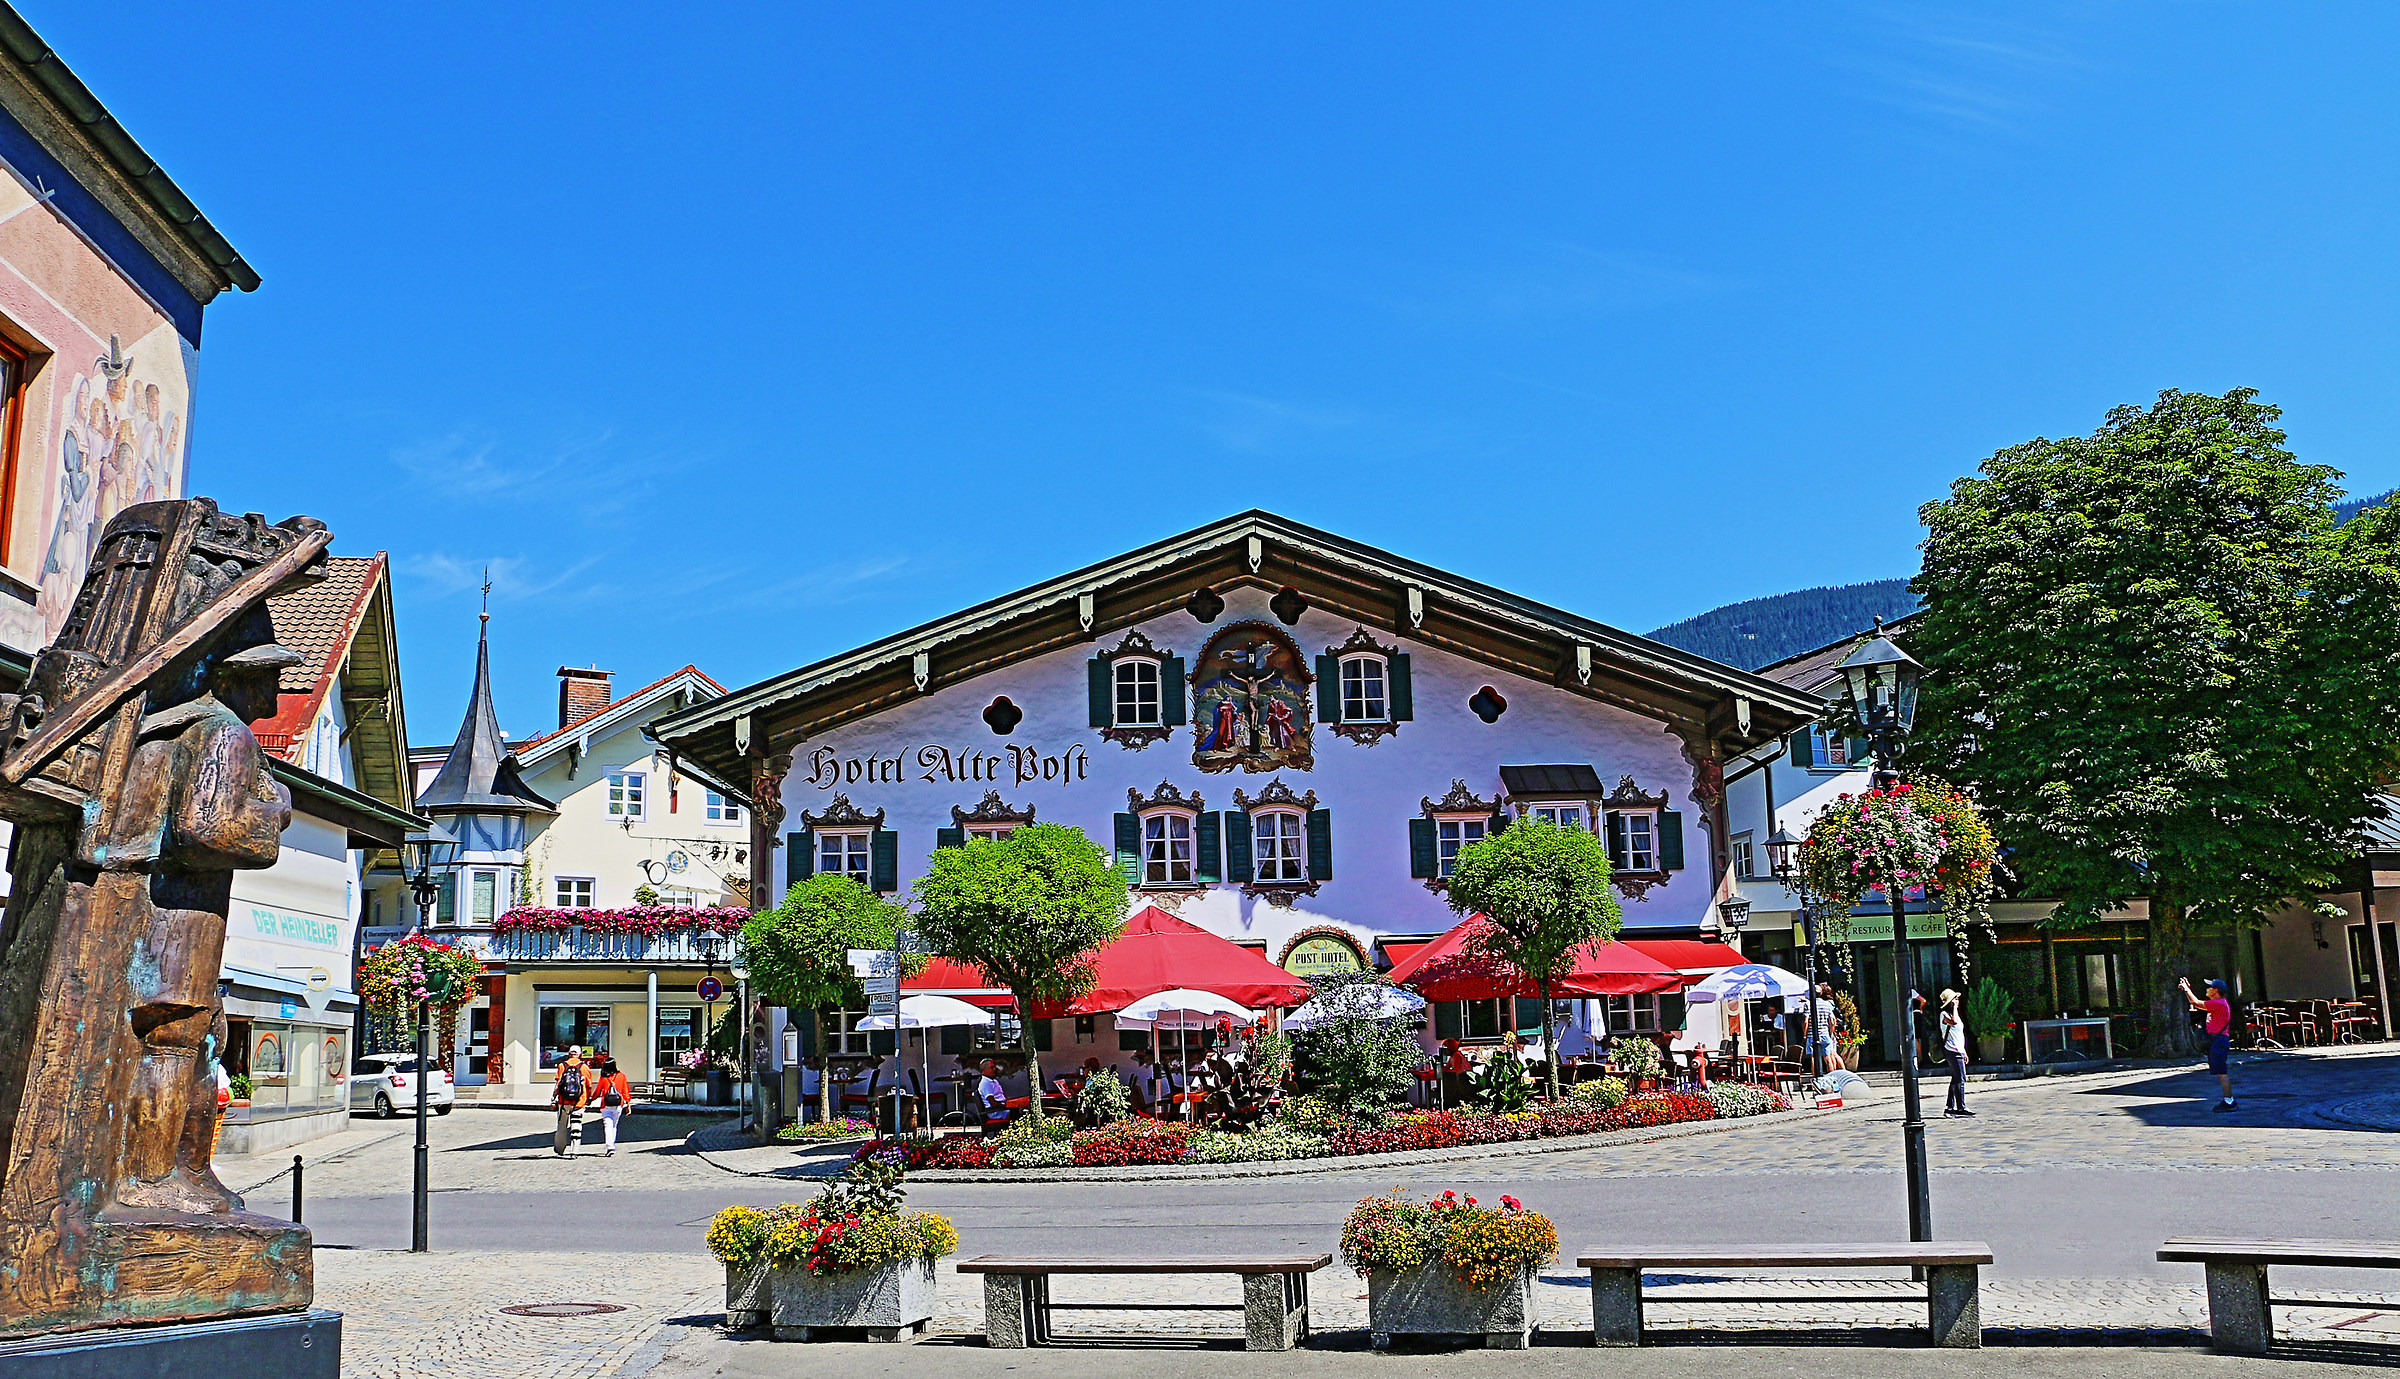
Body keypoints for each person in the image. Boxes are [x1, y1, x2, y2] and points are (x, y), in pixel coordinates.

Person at [2181, 977, 2237, 1112]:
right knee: (2220, 1072)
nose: (2207, 989)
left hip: (2219, 1042)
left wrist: (2186, 989)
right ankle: (2229, 1100)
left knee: (2222, 1072)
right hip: (2218, 1041)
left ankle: (2229, 1101)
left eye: (2209, 987)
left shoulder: (2219, 1003)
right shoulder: (2217, 1003)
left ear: (2215, 991)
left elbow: (2195, 1003)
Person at [1938, 989, 1973, 1117]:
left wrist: (1964, 1053)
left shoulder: (1955, 1013)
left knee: (1956, 1078)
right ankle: (1960, 1107)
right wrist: (1954, 1008)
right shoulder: (1944, 1014)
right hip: (1951, 1050)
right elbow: (1954, 1022)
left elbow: (1959, 1036)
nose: (1957, 1001)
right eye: (1954, 999)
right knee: (1960, 1078)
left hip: (1958, 1050)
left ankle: (1950, 1107)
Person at [590, 1058, 634, 1156]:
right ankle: (612, 1145)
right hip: (619, 1104)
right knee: (614, 1125)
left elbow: (597, 1091)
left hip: (606, 1105)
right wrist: (628, 1105)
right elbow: (625, 1091)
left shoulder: (604, 1078)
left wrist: (591, 1100)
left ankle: (610, 1147)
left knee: (608, 1125)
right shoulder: (621, 1076)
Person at [552, 1046, 590, 1157]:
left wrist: (554, 1098)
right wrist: (588, 1099)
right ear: (580, 1054)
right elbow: (588, 1085)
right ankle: (574, 1151)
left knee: (561, 1125)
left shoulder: (562, 1065)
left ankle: (560, 1149)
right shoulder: (584, 1067)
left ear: (569, 1053)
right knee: (576, 1126)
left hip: (563, 1101)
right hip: (579, 1101)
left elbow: (557, 1084)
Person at [1808, 983, 1844, 1074]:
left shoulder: (1809, 1005)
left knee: (1814, 1057)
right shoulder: (1827, 1004)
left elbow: (1805, 1021)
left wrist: (1805, 1034)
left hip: (1812, 1034)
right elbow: (1832, 1021)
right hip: (1825, 1034)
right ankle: (1832, 1077)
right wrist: (1831, 1032)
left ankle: (1816, 1078)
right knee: (1828, 1057)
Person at [976, 1060, 1010, 1136]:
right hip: (996, 1112)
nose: (994, 1069)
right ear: (984, 1070)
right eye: (991, 1067)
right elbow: (993, 1103)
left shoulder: (993, 1081)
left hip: (1002, 1108)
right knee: (1023, 1112)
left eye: (994, 1067)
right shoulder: (985, 1083)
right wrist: (1007, 1105)